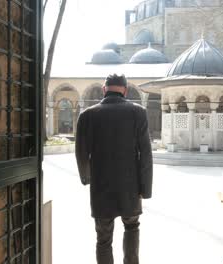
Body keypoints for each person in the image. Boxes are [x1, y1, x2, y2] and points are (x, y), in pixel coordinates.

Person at [75, 74, 153, 264]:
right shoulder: (138, 112)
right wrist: (145, 189)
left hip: (101, 186)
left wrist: (87, 178)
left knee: (103, 239)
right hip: (131, 186)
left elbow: (81, 153)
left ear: (104, 89)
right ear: (125, 90)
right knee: (132, 228)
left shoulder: (88, 115)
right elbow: (146, 154)